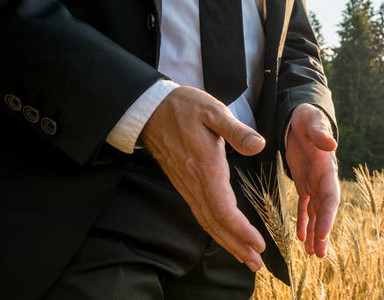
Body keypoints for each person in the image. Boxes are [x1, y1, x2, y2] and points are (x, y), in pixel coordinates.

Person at [0, 0, 340, 298]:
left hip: (241, 215)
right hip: (96, 184)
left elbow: (293, 41)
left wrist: (304, 107)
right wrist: (144, 104)